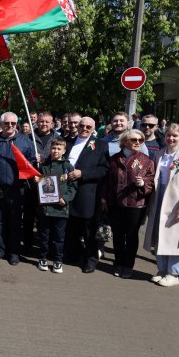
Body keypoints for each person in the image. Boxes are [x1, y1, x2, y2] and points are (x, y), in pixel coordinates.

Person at [0, 111, 36, 265]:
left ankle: (14, 253)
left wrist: (36, 163)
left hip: (16, 189)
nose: (9, 126)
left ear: (16, 124)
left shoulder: (25, 141)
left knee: (15, 222)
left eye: (13, 123)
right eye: (6, 123)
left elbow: (32, 162)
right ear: (1, 125)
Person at [144, 124, 179, 287]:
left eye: (175, 136)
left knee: (174, 238)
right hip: (159, 197)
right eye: (168, 135)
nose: (171, 139)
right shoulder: (160, 154)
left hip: (176, 201)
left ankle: (173, 273)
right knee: (159, 235)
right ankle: (161, 270)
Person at [101, 130, 155, 278]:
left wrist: (143, 183)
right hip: (115, 203)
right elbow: (107, 182)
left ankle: (128, 265)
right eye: (134, 139)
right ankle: (119, 263)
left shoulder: (146, 161)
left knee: (131, 235)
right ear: (125, 141)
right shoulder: (114, 160)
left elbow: (151, 181)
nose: (138, 142)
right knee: (118, 235)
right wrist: (104, 199)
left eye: (141, 140)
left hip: (136, 203)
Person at [64, 116, 110, 273]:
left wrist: (82, 173)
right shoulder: (68, 142)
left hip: (87, 192)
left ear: (93, 128)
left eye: (88, 127)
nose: (84, 128)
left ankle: (91, 259)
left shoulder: (101, 145)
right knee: (72, 226)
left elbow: (104, 169)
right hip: (68, 191)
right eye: (81, 125)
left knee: (88, 229)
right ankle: (75, 255)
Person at [35, 138, 77, 274]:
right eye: (54, 148)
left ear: (64, 151)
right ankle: (43, 258)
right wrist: (37, 180)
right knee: (44, 235)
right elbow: (41, 185)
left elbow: (72, 186)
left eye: (59, 149)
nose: (56, 151)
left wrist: (66, 198)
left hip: (60, 209)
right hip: (45, 209)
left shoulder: (68, 167)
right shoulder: (43, 165)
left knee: (59, 237)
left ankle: (58, 260)